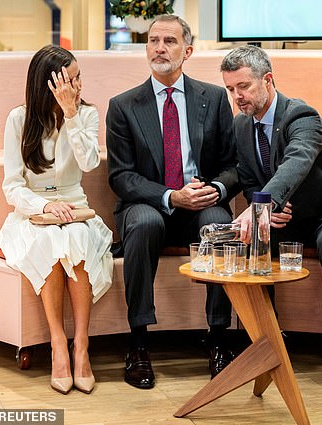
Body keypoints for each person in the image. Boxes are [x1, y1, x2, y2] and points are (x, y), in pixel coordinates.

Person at [220, 45, 322, 388]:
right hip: (285, 218)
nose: (237, 97)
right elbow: (250, 180)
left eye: (243, 87)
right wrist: (266, 210)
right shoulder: (241, 126)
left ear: (268, 80)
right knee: (251, 242)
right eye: (231, 89)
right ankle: (270, 340)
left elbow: (297, 162)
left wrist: (264, 205)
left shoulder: (302, 116)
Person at [106, 15, 238, 389]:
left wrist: (215, 188)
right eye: (153, 41)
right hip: (148, 203)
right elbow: (121, 177)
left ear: (188, 51)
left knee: (217, 223)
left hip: (200, 201)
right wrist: (170, 196)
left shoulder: (212, 98)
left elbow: (233, 165)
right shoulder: (123, 106)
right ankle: (138, 342)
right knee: (145, 223)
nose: (159, 48)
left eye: (169, 41)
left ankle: (218, 338)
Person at [0, 45, 114, 395]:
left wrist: (71, 114)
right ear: (50, 83)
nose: (78, 85)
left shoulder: (87, 114)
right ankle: (58, 345)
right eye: (71, 79)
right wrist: (44, 208)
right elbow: (12, 185)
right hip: (33, 212)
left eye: (79, 78)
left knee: (76, 239)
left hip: (77, 208)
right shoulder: (19, 119)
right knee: (49, 241)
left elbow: (89, 162)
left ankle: (82, 346)